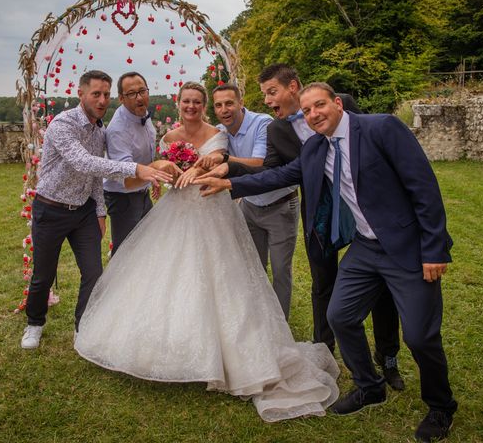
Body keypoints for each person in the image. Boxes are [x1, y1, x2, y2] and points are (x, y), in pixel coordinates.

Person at [195, 82, 457, 442]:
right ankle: (369, 386)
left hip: (407, 247)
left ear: (337, 103)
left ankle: (441, 406)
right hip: (365, 248)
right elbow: (281, 175)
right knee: (340, 316)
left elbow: (424, 188)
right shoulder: (316, 147)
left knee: (419, 335)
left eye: (320, 105)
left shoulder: (381, 128)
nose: (314, 114)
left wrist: (434, 250)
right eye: (307, 111)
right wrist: (231, 184)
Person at [74, 82, 340, 422]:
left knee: (224, 277)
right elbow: (163, 173)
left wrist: (203, 168)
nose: (191, 107)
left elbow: (230, 165)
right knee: (168, 275)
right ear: (179, 103)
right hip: (176, 211)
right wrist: (170, 171)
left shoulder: (220, 135)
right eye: (186, 101)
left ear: (205, 106)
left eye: (198, 102)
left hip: (213, 208)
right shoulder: (168, 137)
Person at [200, 64, 404, 391]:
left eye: (272, 92)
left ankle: (388, 356)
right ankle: (326, 351)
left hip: (366, 207)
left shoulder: (342, 102)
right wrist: (229, 173)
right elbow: (273, 172)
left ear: (292, 86)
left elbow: (370, 145)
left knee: (381, 283)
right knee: (324, 282)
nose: (267, 101)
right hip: (320, 212)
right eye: (265, 94)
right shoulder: (278, 130)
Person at [21, 70, 172, 350]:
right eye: (96, 94)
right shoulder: (63, 125)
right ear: (81, 94)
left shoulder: (100, 131)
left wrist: (100, 211)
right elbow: (84, 163)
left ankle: (83, 326)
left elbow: (94, 179)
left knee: (93, 273)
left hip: (84, 213)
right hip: (51, 209)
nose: (101, 100)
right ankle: (34, 323)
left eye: (105, 95)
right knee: (44, 273)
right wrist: (138, 169)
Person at [198, 83, 298, 319]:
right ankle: (259, 318)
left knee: (281, 270)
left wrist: (224, 158)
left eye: (230, 103)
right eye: (219, 105)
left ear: (241, 103)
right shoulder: (220, 132)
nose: (225, 109)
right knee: (254, 266)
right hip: (250, 207)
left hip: (280, 204)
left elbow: (261, 163)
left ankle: (279, 322)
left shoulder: (262, 123)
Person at [103, 71, 156, 255]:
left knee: (148, 245)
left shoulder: (143, 114)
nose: (139, 97)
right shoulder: (118, 129)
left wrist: (152, 180)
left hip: (142, 192)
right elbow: (127, 179)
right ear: (121, 99)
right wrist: (156, 172)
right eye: (132, 94)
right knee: (126, 253)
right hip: (123, 197)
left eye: (143, 91)